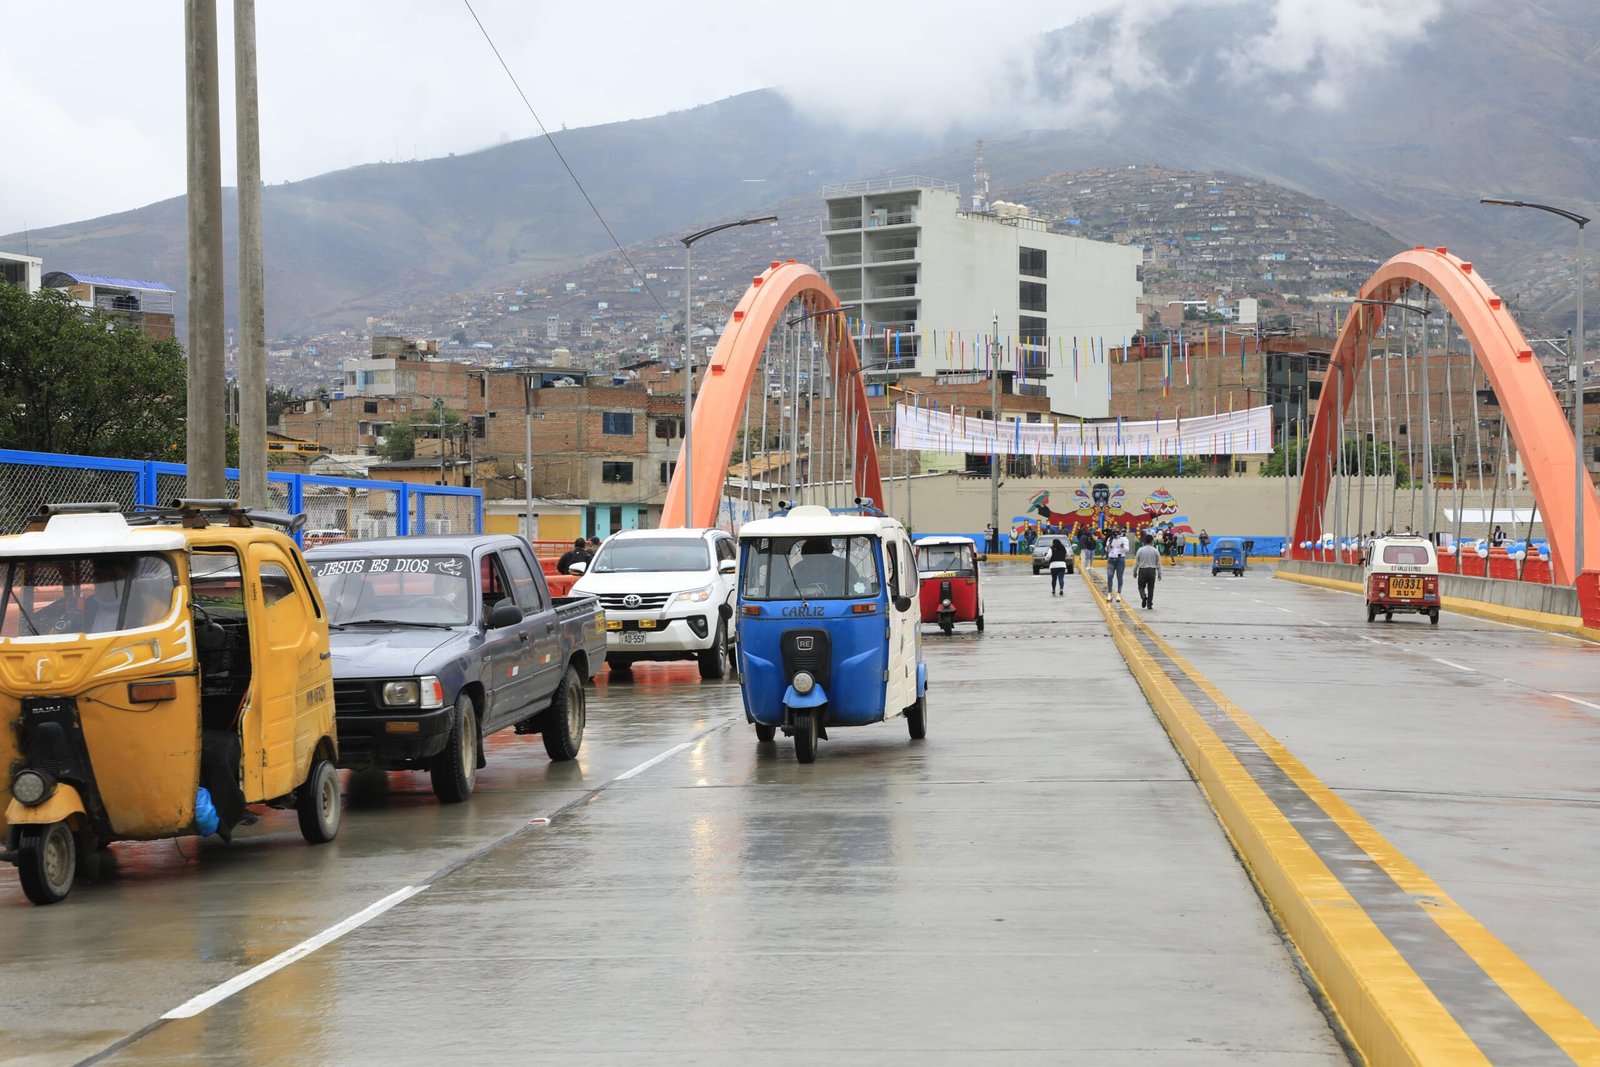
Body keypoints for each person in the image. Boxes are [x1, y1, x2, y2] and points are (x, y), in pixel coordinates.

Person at [1135, 533, 1163, 609]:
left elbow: (1137, 562)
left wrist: (1134, 571)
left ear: (1145, 541)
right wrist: (1160, 573)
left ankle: (1143, 596)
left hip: (1142, 570)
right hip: (1152, 571)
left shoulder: (1140, 550)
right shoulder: (1155, 551)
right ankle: (1149, 604)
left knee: (1141, 586)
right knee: (1151, 588)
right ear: (1152, 541)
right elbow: (1158, 563)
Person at [1105, 526, 1130, 603]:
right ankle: (1109, 593)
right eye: (1114, 530)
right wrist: (1108, 547)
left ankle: (1119, 593)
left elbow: (1127, 549)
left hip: (1120, 559)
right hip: (1111, 558)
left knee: (1119, 577)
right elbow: (1107, 549)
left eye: (1116, 530)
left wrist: (1122, 546)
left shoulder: (1124, 539)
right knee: (1109, 576)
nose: (1115, 532)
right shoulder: (1110, 539)